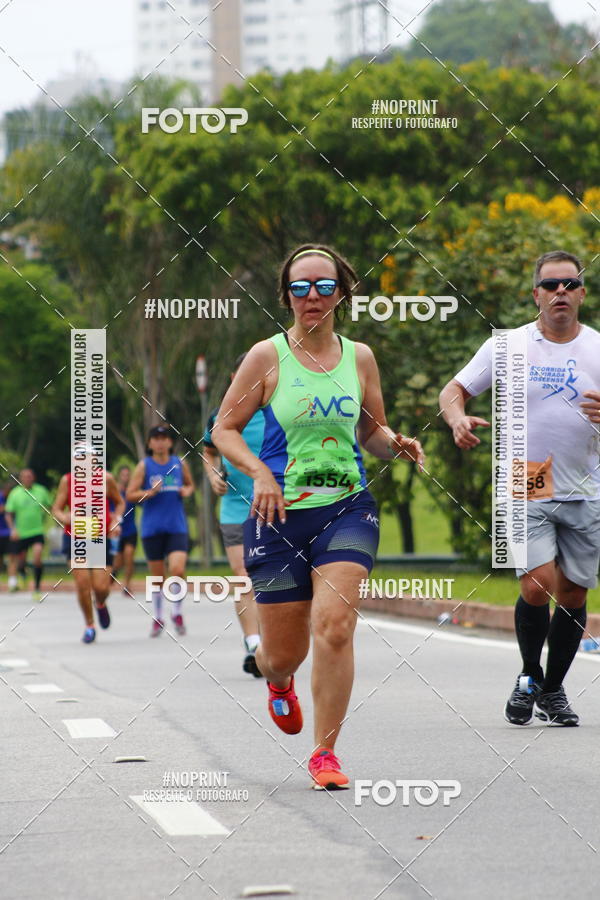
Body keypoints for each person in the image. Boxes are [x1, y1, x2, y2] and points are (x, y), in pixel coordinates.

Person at [213, 243, 424, 789]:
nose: (313, 296)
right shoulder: (266, 357)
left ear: (342, 293)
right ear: (286, 295)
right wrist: (260, 473)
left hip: (346, 509)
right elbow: (223, 429)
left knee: (335, 623)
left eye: (324, 286)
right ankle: (278, 682)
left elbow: (371, 432)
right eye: (301, 287)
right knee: (282, 654)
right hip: (278, 515)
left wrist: (395, 444)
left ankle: (325, 754)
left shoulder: (360, 358)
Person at [439, 250, 600, 727]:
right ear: (536, 294)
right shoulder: (508, 346)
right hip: (527, 475)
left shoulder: (597, 347)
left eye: (570, 284)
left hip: (587, 482)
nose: (560, 293)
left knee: (573, 592)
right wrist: (455, 419)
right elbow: (454, 390)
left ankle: (551, 691)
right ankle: (530, 675)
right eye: (551, 285)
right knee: (536, 582)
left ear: (583, 294)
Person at [203, 353, 264, 677]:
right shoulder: (220, 414)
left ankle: (273, 642)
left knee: (272, 579)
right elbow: (209, 450)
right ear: (232, 378)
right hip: (235, 509)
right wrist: (214, 476)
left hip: (276, 507)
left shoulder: (278, 412)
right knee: (243, 575)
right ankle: (254, 644)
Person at [127, 424, 195, 637]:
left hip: (176, 526)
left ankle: (176, 612)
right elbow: (130, 494)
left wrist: (187, 490)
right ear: (149, 443)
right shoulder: (143, 466)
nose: (159, 441)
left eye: (164, 437)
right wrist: (149, 493)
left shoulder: (179, 464)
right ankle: (158, 616)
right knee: (158, 578)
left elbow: (190, 485)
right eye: (155, 438)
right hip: (152, 528)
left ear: (170, 442)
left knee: (177, 570)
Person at [52, 450, 125, 643]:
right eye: (78, 457)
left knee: (101, 587)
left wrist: (116, 520)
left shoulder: (106, 479)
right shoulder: (67, 481)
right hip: (75, 537)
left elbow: (119, 503)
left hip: (100, 537)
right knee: (83, 584)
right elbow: (56, 509)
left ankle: (100, 604)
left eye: (87, 456)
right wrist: (64, 517)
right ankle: (89, 625)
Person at [5, 469, 52, 599]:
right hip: (21, 533)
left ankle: (37, 588)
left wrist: (49, 521)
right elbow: (9, 513)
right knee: (19, 559)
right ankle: (20, 575)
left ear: (34, 477)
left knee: (37, 556)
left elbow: (51, 507)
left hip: (37, 531)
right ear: (20, 479)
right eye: (25, 477)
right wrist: (12, 529)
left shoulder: (41, 491)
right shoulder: (15, 493)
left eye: (30, 476)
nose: (28, 478)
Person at [112, 465, 138, 597]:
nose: (126, 478)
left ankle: (127, 585)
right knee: (117, 561)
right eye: (123, 475)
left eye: (128, 475)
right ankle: (112, 575)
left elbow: (142, 501)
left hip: (130, 530)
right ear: (119, 476)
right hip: (117, 531)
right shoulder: (113, 491)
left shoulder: (131, 492)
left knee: (129, 556)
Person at [0, 482, 12, 580]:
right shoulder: (1, 497)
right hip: (2, 531)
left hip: (8, 531)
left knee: (11, 554)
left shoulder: (10, 498)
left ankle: (11, 574)